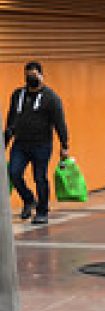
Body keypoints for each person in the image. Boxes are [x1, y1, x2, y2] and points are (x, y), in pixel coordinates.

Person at [4, 61, 69, 225]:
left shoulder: (51, 98)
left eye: (33, 74)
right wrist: (5, 140)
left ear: (41, 75)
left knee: (39, 177)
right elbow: (11, 118)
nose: (30, 78)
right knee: (14, 173)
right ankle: (28, 199)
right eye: (27, 75)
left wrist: (64, 145)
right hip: (20, 144)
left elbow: (59, 122)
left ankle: (42, 211)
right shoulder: (18, 94)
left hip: (42, 144)